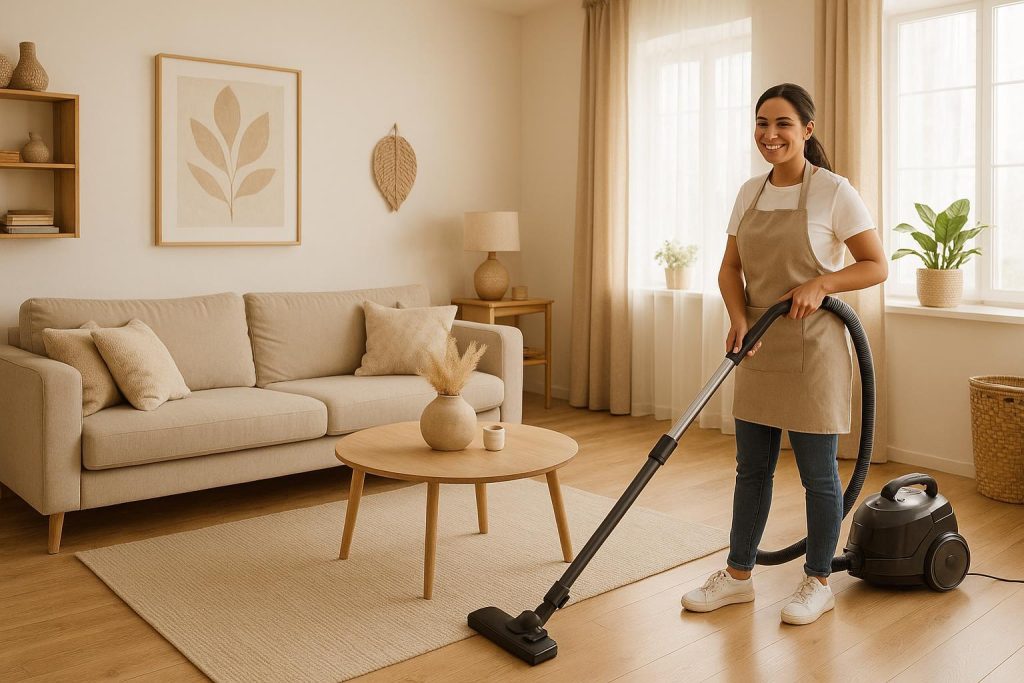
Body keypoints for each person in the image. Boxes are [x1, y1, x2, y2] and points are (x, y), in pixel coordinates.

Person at [681, 83, 888, 625]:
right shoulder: (750, 191)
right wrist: (739, 317)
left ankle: (817, 581)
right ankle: (738, 576)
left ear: (807, 131)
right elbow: (730, 268)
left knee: (819, 476)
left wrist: (823, 283)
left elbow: (874, 264)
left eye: (783, 125)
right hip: (759, 346)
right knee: (751, 469)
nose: (769, 135)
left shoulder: (834, 191)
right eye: (761, 124)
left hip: (814, 348)